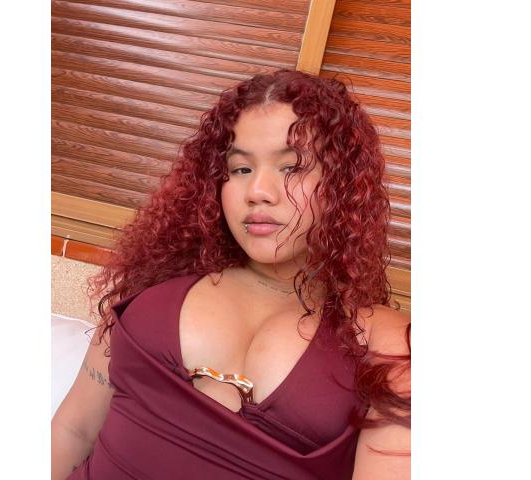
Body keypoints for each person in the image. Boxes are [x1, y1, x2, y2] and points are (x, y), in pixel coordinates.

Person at [51, 69, 411, 479]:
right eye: (240, 169)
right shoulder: (151, 290)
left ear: (341, 186)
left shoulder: (386, 345)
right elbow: (73, 430)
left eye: (292, 167)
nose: (258, 191)